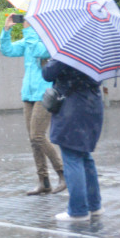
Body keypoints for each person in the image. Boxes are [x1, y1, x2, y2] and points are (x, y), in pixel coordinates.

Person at [0, 14, 65, 195]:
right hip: (28, 94)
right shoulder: (29, 40)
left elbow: (39, 51)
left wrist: (28, 30)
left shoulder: (51, 41)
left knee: (37, 136)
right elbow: (7, 50)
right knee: (33, 139)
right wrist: (6, 30)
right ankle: (43, 181)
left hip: (45, 94)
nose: (28, 22)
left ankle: (62, 173)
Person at [43, 60, 104, 222]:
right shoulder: (95, 53)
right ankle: (94, 206)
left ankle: (78, 211)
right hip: (92, 106)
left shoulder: (69, 53)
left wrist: (52, 60)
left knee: (72, 158)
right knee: (84, 157)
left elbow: (47, 74)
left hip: (73, 109)